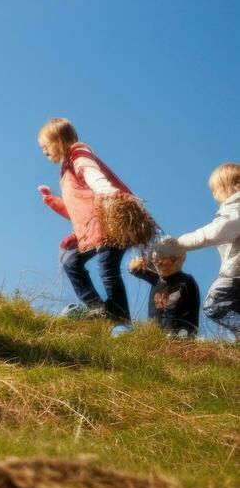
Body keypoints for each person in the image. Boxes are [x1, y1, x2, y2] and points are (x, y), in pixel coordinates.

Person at [36, 118, 134, 323]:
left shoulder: (78, 154)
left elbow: (91, 173)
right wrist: (53, 201)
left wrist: (108, 192)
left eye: (46, 146)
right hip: (94, 228)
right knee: (70, 260)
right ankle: (98, 309)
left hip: (111, 221)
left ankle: (121, 321)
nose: (44, 151)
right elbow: (78, 210)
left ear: (59, 140)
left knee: (108, 267)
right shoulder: (66, 170)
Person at [166, 162, 240, 336]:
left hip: (235, 273)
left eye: (216, 189)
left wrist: (179, 243)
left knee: (214, 304)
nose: (214, 195)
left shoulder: (235, 208)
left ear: (233, 185)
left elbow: (215, 232)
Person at [128, 243, 199, 337]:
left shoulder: (187, 280)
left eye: (163, 260)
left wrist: (189, 331)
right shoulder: (157, 278)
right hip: (156, 334)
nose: (159, 264)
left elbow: (193, 307)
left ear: (177, 260)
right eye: (156, 261)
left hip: (180, 334)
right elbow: (135, 269)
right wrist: (133, 266)